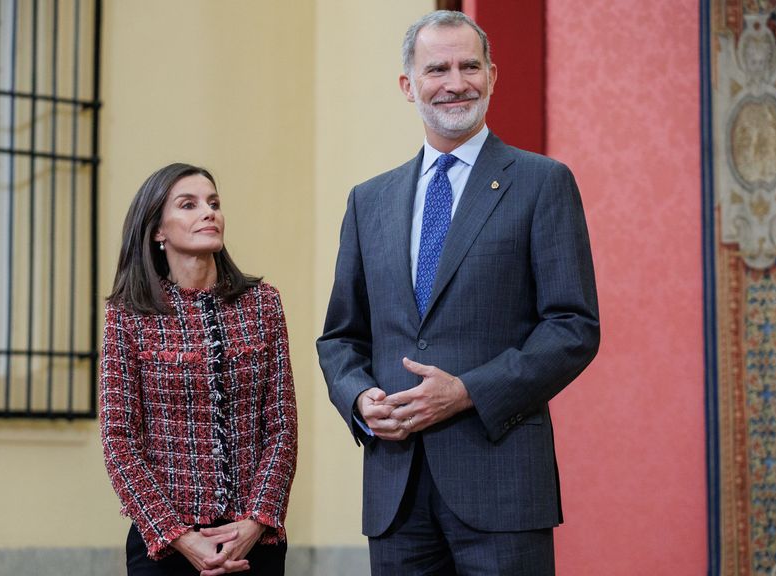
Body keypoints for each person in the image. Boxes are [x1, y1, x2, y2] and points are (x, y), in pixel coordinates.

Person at [317, 10, 599, 575]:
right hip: (395, 492)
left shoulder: (542, 183)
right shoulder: (368, 200)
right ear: (408, 85)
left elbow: (573, 326)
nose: (455, 82)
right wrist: (360, 402)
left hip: (502, 487)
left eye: (470, 66)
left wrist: (468, 391)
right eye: (437, 68)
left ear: (492, 76)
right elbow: (342, 337)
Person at [100, 163, 298, 576]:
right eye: (188, 205)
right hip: (165, 545)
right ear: (158, 231)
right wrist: (177, 534)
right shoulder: (128, 315)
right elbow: (119, 440)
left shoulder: (262, 304)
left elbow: (281, 426)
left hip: (254, 541)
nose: (208, 212)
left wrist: (257, 521)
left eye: (214, 203)